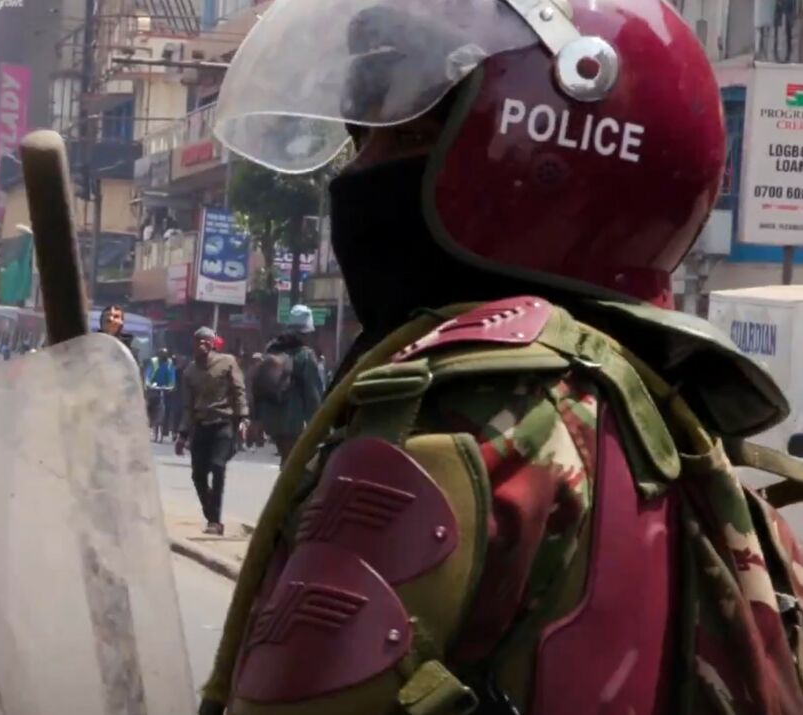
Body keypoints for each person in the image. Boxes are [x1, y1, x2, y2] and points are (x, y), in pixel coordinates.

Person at [194, 3, 803, 714]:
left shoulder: (464, 413)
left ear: (541, 159)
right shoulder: (675, 427)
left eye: (407, 136)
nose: (358, 173)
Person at [175, 327, 245, 537]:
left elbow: (239, 390)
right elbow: (187, 406)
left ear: (213, 343)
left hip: (223, 422)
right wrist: (182, 434)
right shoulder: (189, 372)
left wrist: (243, 419)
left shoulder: (227, 362)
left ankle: (215, 521)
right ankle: (210, 512)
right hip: (201, 425)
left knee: (218, 465)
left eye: (205, 341)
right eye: (197, 341)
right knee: (198, 475)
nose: (201, 345)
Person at [249, 306, 324, 458]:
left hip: (271, 418)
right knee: (299, 465)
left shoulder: (271, 349)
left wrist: (256, 418)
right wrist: (318, 426)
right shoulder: (305, 355)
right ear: (307, 332)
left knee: (287, 458)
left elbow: (259, 386)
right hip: (295, 421)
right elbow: (313, 395)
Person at [144, 347, 176, 443]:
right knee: (150, 407)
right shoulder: (154, 361)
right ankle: (150, 426)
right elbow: (148, 375)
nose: (164, 358)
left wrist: (171, 386)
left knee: (170, 408)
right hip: (154, 388)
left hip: (165, 388)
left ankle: (166, 429)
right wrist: (149, 384)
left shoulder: (169, 362)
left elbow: (171, 376)